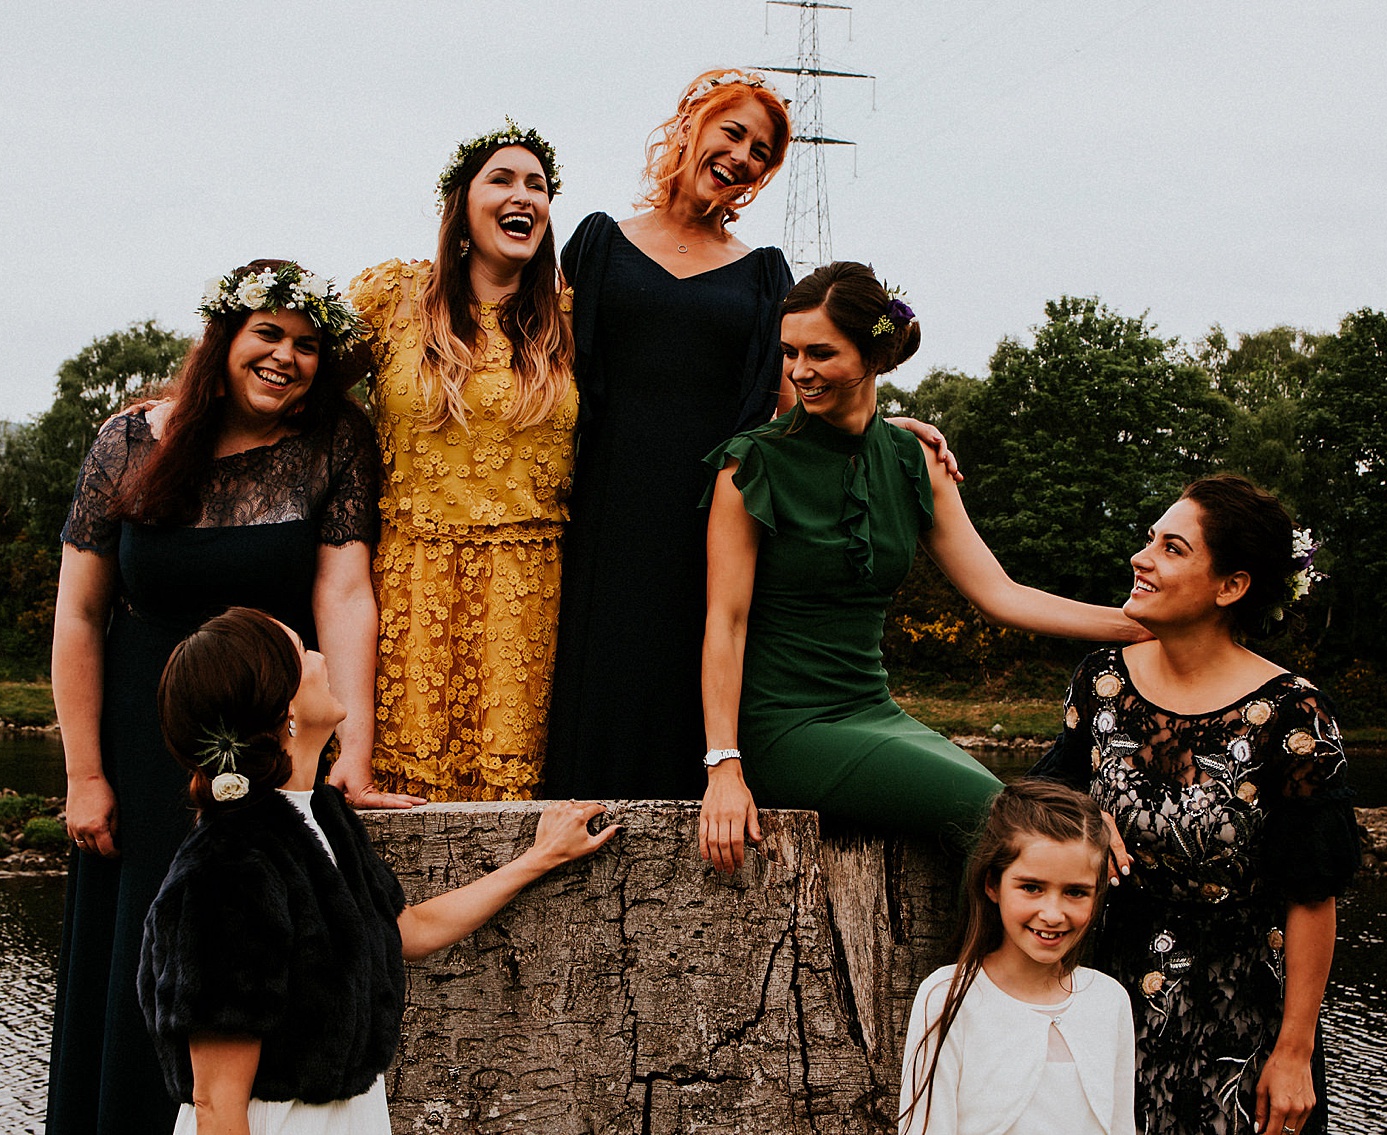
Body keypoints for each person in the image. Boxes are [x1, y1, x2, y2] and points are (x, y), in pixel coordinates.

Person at [48, 260, 417, 1134]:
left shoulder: (334, 443)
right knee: (141, 941)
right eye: (269, 334)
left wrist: (350, 753)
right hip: (145, 738)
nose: (288, 356)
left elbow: (346, 596)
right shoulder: (128, 442)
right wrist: (85, 772)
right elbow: (78, 615)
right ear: (225, 337)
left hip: (265, 729)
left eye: (308, 344)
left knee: (258, 948)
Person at [544, 69, 957, 800]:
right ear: (693, 125)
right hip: (608, 514)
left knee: (698, 664)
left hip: (716, 509)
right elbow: (544, 373)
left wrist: (882, 425)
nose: (743, 156)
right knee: (600, 683)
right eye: (733, 132)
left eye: (762, 152)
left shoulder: (764, 273)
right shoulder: (599, 243)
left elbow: (801, 389)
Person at [698, 262, 1148, 872]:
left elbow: (999, 593)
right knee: (1010, 826)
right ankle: (977, 974)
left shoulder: (916, 460)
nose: (799, 371)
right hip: (786, 726)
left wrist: (1139, 626)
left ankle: (998, 971)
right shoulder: (751, 465)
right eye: (790, 352)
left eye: (821, 353)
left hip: (874, 710)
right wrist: (724, 766)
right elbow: (724, 623)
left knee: (1028, 812)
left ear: (874, 356)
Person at [139, 607, 618, 1135]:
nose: (322, 657)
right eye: (303, 651)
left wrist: (539, 857)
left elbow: (407, 930)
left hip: (348, 1115)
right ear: (285, 711)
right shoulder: (228, 867)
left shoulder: (321, 814)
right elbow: (217, 1105)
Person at [1029, 473, 1360, 1135]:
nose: (1141, 557)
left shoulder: (1292, 712)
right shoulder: (1101, 680)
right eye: (1149, 539)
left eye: (1172, 547)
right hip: (1105, 1007)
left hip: (1239, 1025)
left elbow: (1312, 894)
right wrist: (1084, 813)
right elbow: (1043, 800)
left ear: (1231, 585)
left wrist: (1293, 1053)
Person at [347, 120, 575, 802]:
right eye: (502, 179)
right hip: (407, 586)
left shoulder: (572, 313)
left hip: (533, 598)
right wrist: (178, 406)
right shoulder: (391, 300)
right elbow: (285, 378)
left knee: (514, 811)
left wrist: (864, 408)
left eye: (537, 185)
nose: (523, 196)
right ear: (461, 205)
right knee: (397, 805)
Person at [898, 779, 1135, 1135]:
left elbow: (1121, 1126)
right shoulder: (947, 996)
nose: (1053, 914)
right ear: (993, 884)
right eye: (1031, 887)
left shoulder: (1109, 1000)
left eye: (1075, 892)